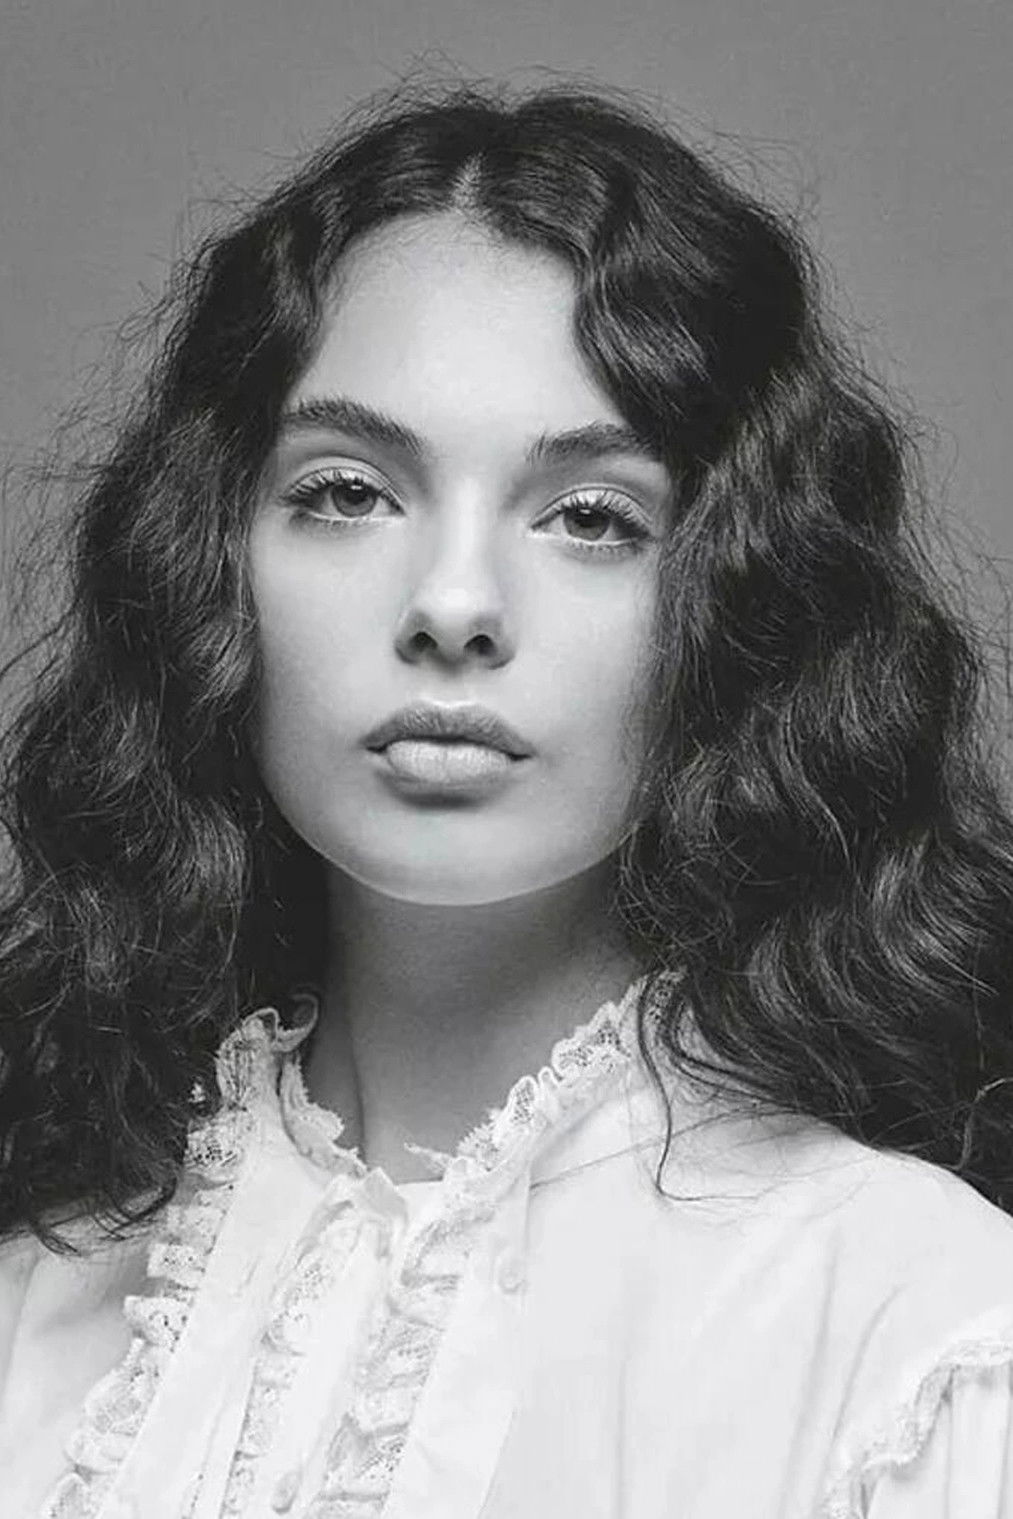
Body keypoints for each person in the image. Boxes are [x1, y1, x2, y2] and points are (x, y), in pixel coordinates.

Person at [2, 76, 1013, 1519]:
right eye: (348, 492)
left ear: (738, 605)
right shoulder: (39, 1301)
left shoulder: (917, 1339)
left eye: (591, 517)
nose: (455, 605)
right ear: (210, 562)